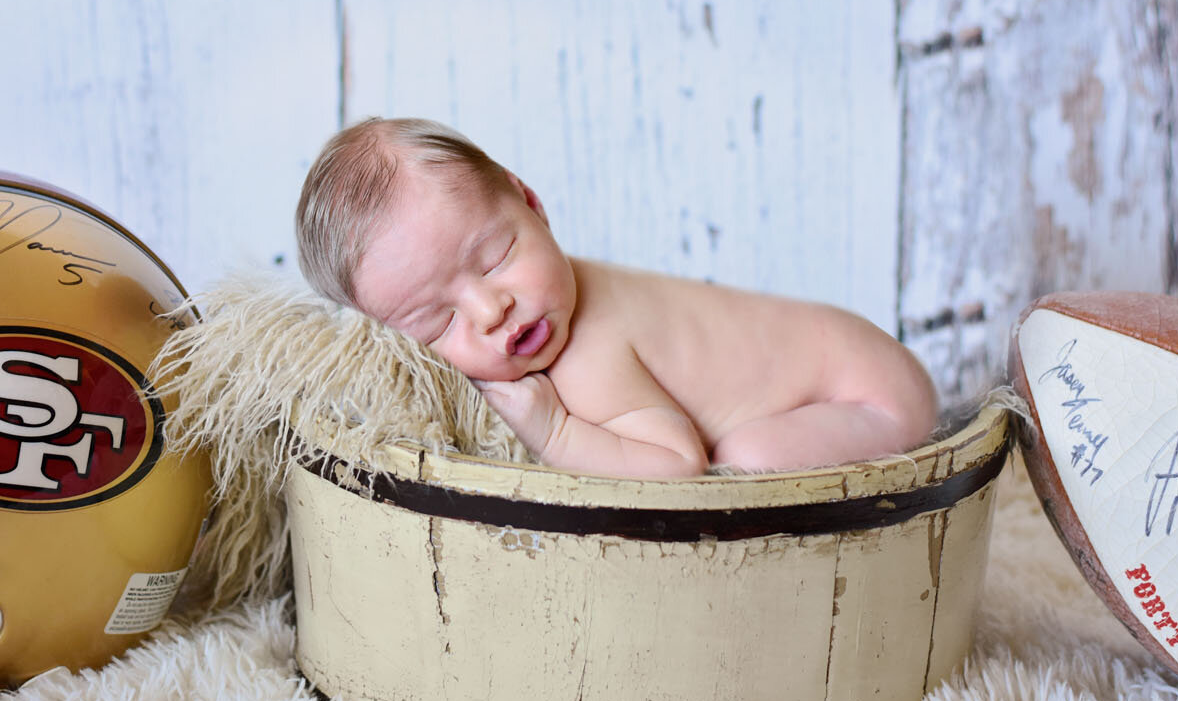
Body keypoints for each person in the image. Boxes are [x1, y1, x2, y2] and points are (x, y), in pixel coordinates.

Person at [294, 117, 939, 479]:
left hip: (871, 397)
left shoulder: (585, 360)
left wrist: (555, 429)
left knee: (745, 462)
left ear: (532, 205)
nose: (492, 311)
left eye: (496, 258)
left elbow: (676, 466)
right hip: (852, 350)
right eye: (438, 322)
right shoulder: (559, 286)